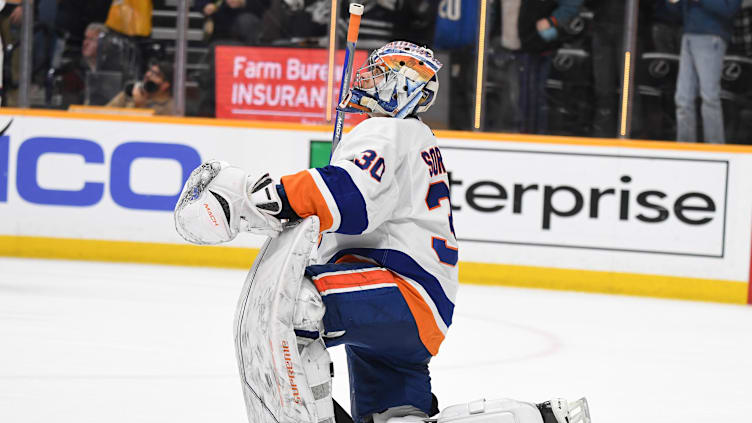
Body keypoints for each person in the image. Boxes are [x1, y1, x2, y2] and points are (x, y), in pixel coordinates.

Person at [173, 41, 589, 423]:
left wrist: (260, 197)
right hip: (419, 310)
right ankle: (541, 418)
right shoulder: (416, 138)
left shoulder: (387, 130)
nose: (365, 79)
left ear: (403, 86)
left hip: (398, 288)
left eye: (378, 73)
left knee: (298, 305)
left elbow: (349, 196)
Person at [496, 0, 584, 134]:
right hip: (507, 47)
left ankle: (533, 135)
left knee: (532, 99)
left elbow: (572, 4)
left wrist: (552, 21)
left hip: (536, 49)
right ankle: (517, 134)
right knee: (513, 100)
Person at [669, 0, 742, 143]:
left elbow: (730, 10)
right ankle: (685, 148)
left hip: (711, 36)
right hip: (688, 34)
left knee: (709, 97)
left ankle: (714, 149)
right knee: (683, 99)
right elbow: (674, 13)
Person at [106, 59, 174, 115]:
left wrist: (139, 106)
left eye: (155, 74)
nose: (148, 75)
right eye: (149, 71)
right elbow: (104, 115)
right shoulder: (129, 93)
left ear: (165, 85)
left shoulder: (171, 107)